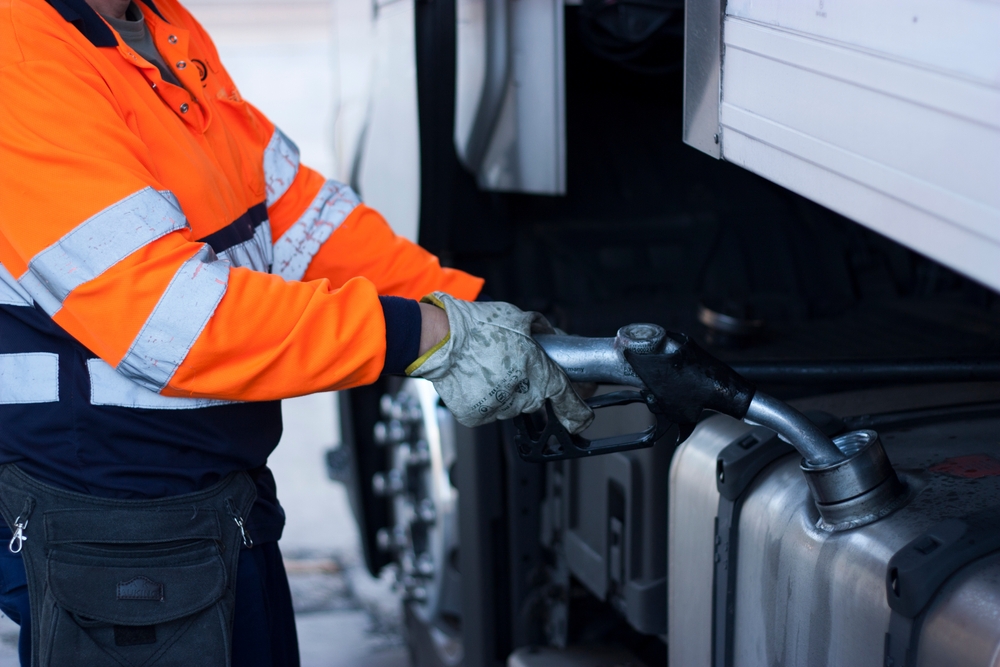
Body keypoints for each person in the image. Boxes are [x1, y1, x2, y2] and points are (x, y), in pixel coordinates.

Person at [0, 0, 592, 663]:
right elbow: (174, 322)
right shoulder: (20, 57)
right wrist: (423, 332)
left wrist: (474, 313)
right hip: (112, 534)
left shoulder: (152, 25)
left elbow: (294, 216)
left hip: (215, 506)